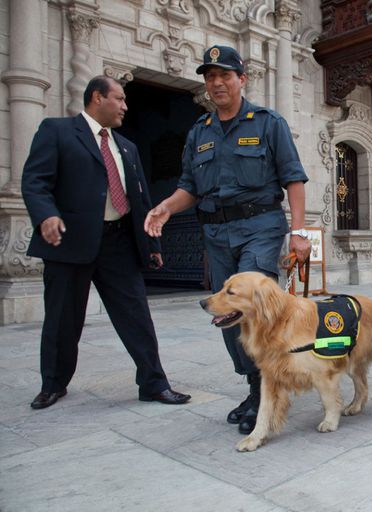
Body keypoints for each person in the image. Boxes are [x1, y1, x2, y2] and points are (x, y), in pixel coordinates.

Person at [144, 45, 310, 435]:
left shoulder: (268, 123)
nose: (216, 83)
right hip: (216, 234)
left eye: (224, 75)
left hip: (262, 227)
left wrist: (299, 233)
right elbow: (190, 188)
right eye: (209, 76)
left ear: (241, 79)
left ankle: (267, 391)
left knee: (253, 307)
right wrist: (167, 207)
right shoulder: (199, 132)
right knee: (227, 314)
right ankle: (256, 385)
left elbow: (294, 178)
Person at [21, 76, 191, 410]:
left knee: (136, 315)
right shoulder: (56, 131)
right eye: (120, 98)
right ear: (97, 97)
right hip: (70, 241)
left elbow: (140, 197)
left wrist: (151, 245)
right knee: (63, 318)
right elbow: (34, 181)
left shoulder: (126, 146)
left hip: (118, 242)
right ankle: (53, 384)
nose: (125, 106)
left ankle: (154, 383)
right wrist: (46, 216)